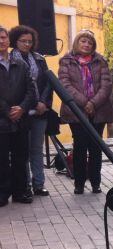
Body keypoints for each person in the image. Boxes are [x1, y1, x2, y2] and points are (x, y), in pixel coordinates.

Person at [58, 29, 113, 195]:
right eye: (83, 41)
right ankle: (79, 183)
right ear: (77, 42)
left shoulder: (101, 61)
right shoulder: (66, 61)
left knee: (96, 148)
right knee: (80, 148)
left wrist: (93, 103)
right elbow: (65, 85)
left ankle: (96, 182)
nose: (86, 44)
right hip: (76, 111)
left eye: (90, 42)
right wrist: (84, 103)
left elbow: (106, 85)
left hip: (99, 111)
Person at [9, 25, 52, 198]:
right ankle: (24, 185)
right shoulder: (10, 59)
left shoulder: (40, 59)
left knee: (36, 149)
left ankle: (39, 184)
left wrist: (43, 102)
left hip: (40, 111)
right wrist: (23, 106)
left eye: (30, 41)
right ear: (15, 41)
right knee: (22, 151)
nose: (27, 44)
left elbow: (48, 83)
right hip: (22, 112)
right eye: (23, 41)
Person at [0, 25, 35, 207]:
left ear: (8, 40)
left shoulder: (21, 64)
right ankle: (2, 194)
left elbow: (31, 91)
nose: (1, 41)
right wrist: (8, 112)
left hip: (21, 120)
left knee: (21, 158)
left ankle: (20, 192)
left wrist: (21, 108)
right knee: (2, 160)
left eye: (4, 37)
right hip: (2, 121)